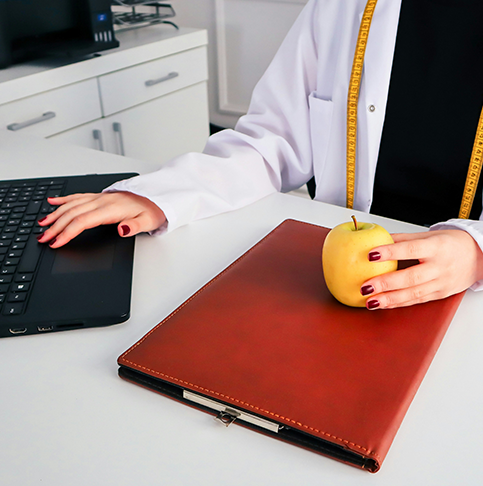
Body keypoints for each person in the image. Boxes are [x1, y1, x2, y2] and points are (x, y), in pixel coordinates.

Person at [36, 0, 483, 310]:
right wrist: (158, 195)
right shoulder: (346, 7)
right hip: (331, 279)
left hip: (468, 300)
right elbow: (270, 141)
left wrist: (476, 254)